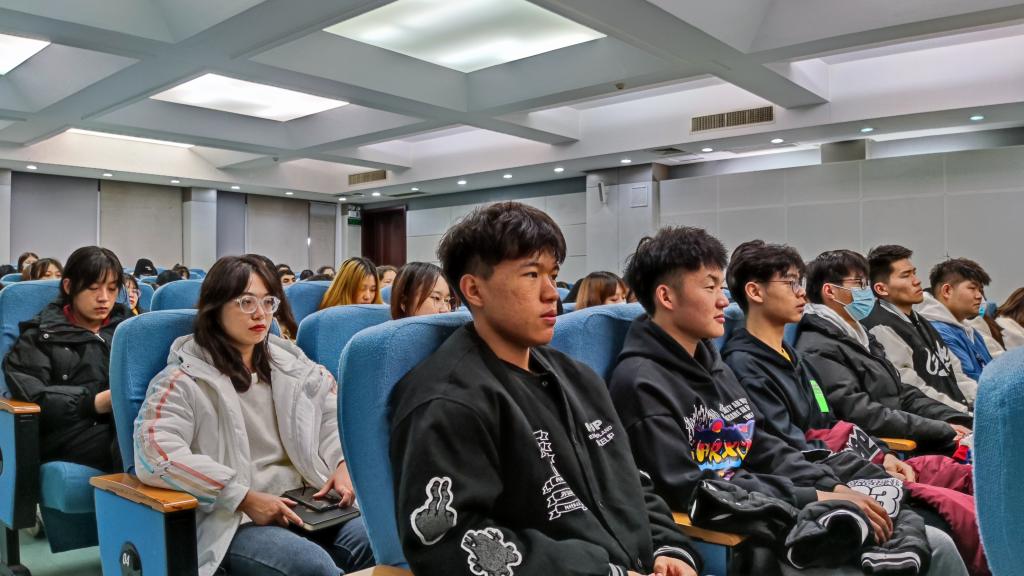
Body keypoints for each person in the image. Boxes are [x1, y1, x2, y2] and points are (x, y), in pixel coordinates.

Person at [390, 202, 702, 576]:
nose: (551, 293)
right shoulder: (448, 399)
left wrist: (669, 549)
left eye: (553, 275)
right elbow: (452, 541)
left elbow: (632, 483)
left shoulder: (580, 378)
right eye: (531, 274)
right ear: (474, 289)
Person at [722, 240, 988, 575]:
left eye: (799, 282)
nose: (801, 292)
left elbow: (828, 420)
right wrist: (852, 477)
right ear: (754, 292)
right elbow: (789, 448)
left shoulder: (796, 359)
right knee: (944, 528)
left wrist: (880, 454)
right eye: (790, 283)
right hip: (822, 481)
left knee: (964, 487)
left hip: (848, 464)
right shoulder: (746, 365)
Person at [133, 255, 374, 576]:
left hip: (310, 504)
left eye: (268, 301)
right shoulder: (183, 379)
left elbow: (333, 417)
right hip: (237, 518)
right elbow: (155, 454)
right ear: (215, 307)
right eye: (246, 302)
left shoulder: (293, 365)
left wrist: (342, 464)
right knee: (311, 567)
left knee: (383, 541)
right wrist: (242, 497)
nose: (260, 313)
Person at [795, 250, 971, 452]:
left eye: (866, 283)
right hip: (884, 448)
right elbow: (859, 413)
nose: (867, 291)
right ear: (830, 291)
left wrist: (958, 420)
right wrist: (940, 429)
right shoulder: (818, 346)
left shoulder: (859, 335)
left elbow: (902, 393)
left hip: (910, 431)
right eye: (859, 283)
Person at [3, 246, 128, 472]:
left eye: (112, 289)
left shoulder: (128, 329)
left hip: (122, 422)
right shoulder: (40, 336)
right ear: (69, 286)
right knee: (134, 441)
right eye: (93, 288)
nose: (104, 298)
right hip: (68, 433)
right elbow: (34, 396)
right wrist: (91, 403)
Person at [863, 246, 974, 412]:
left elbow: (955, 374)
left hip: (956, 412)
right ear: (881, 289)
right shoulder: (880, 327)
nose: (916, 281)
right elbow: (913, 388)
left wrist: (984, 400)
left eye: (914, 273)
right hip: (938, 418)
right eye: (906, 275)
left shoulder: (921, 321)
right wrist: (961, 412)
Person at [916, 259, 994, 382]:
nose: (979, 296)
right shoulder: (938, 333)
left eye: (979, 290)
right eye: (972, 288)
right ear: (947, 291)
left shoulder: (971, 331)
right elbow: (967, 382)